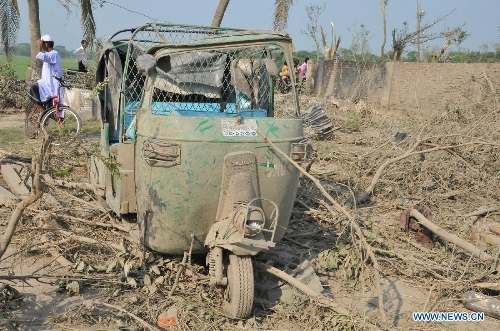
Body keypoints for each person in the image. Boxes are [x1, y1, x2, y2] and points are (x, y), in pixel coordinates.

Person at [32, 34, 64, 106]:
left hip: (52, 85)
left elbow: (40, 55)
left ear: (46, 44)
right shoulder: (49, 54)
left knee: (31, 88)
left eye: (42, 44)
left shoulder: (54, 54)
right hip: (46, 83)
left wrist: (39, 45)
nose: (41, 46)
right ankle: (45, 112)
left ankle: (43, 112)